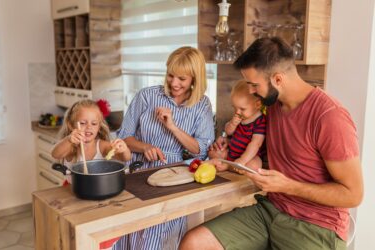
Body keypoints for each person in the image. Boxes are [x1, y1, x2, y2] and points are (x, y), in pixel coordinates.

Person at [180, 37, 363, 250]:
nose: (250, 91)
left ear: (277, 79)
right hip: (272, 210)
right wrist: (228, 158)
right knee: (194, 243)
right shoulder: (273, 106)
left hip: (316, 226)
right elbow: (268, 152)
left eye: (254, 85)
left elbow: (353, 194)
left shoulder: (329, 117)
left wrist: (288, 186)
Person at [113, 46, 215, 250]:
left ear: (195, 78)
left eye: (182, 79)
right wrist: (144, 147)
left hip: (174, 176)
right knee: (129, 230)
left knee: (160, 234)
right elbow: (124, 136)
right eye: (170, 75)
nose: (174, 83)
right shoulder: (146, 96)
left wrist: (172, 127)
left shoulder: (202, 105)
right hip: (137, 170)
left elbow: (201, 150)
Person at [208, 80, 266, 172]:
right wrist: (232, 124)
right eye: (234, 107)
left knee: (255, 165)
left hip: (249, 157)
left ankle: (228, 166)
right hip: (231, 152)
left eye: (242, 109)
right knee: (212, 152)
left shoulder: (260, 121)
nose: (237, 112)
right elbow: (228, 131)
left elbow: (256, 144)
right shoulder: (240, 116)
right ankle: (230, 164)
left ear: (258, 104)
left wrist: (243, 160)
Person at [51, 99, 131, 166]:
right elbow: (55, 154)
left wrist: (124, 149)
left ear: (99, 126)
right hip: (73, 185)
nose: (89, 127)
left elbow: (125, 158)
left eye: (94, 123)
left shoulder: (101, 146)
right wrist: (69, 140)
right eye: (82, 123)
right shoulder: (71, 147)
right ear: (71, 125)